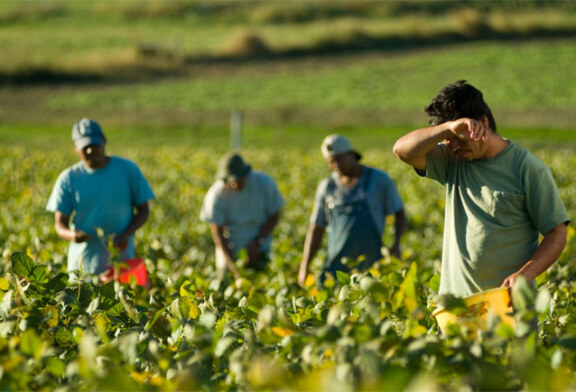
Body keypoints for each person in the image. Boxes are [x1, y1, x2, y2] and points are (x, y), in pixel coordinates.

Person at [393, 80, 570, 298]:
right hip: (457, 306)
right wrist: (448, 129)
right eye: (448, 140)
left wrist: (526, 274)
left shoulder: (527, 168)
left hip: (508, 304)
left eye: (458, 138)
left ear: (483, 123)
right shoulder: (452, 161)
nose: (454, 146)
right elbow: (402, 150)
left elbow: (557, 233)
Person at [46, 118, 155, 278]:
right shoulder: (68, 178)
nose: (91, 151)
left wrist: (127, 233)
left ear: (104, 141)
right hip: (82, 266)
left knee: (122, 299)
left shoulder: (127, 170)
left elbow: (144, 210)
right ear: (75, 147)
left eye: (94, 145)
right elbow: (60, 224)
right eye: (85, 147)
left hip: (121, 263)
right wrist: (72, 235)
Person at [298, 134, 406, 288]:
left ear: (351, 155)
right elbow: (316, 228)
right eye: (331, 162)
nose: (336, 165)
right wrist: (304, 266)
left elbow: (399, 213)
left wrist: (396, 244)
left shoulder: (379, 180)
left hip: (372, 264)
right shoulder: (327, 187)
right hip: (337, 266)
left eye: (339, 159)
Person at [200, 152, 284, 280]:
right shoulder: (216, 195)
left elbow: (275, 215)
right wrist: (232, 265)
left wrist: (257, 243)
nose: (234, 184)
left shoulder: (264, 184)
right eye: (230, 181)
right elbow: (218, 232)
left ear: (246, 174)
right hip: (229, 253)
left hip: (261, 250)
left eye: (238, 180)